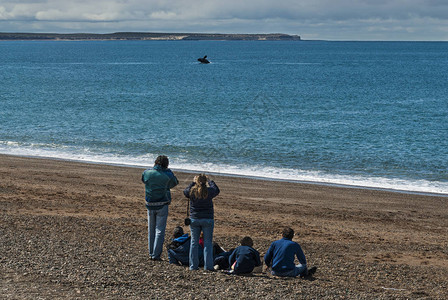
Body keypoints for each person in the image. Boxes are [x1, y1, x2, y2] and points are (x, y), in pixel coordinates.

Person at [141, 155, 178, 260]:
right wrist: (169, 171)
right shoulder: (167, 175)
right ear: (166, 164)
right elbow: (174, 182)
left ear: (155, 163)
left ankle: (151, 252)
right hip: (162, 203)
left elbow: (144, 180)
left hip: (150, 203)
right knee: (159, 230)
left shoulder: (147, 173)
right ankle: (156, 255)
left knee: (151, 229)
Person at [183, 174, 220, 271]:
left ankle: (193, 266)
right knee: (208, 243)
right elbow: (216, 190)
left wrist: (192, 182)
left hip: (194, 219)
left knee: (194, 243)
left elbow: (185, 191)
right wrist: (210, 181)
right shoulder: (209, 191)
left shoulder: (192, 191)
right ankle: (208, 266)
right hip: (207, 218)